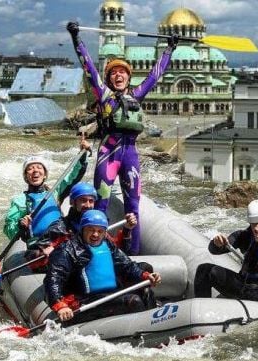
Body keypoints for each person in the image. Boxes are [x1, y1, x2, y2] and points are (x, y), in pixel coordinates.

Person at [67, 21, 179, 255]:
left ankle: (133, 253)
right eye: (114, 73)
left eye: (123, 72)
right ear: (109, 79)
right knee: (102, 204)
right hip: (108, 155)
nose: (118, 76)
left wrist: (170, 49)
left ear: (128, 77)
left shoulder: (137, 95)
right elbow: (88, 66)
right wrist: (76, 38)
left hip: (130, 155)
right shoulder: (104, 95)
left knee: (133, 206)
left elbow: (156, 74)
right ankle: (95, 252)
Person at [44, 210, 161, 323]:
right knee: (133, 301)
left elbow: (127, 266)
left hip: (108, 295)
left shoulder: (108, 245)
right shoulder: (66, 250)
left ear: (105, 232)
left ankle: (157, 326)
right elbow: (53, 279)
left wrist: (146, 276)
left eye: (100, 231)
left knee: (147, 293)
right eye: (91, 230)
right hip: (83, 301)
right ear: (82, 229)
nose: (95, 234)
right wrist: (60, 305)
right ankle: (143, 333)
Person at [194, 199, 258, 303]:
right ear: (250, 222)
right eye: (255, 223)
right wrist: (217, 244)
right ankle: (201, 308)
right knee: (204, 270)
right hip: (245, 284)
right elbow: (214, 250)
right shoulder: (244, 235)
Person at [4, 143, 90, 248]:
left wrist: (82, 155)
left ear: (45, 175)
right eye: (30, 168)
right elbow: (8, 229)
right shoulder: (19, 201)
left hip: (61, 240)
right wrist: (20, 225)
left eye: (39, 167)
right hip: (38, 247)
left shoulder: (55, 191)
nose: (35, 170)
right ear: (26, 177)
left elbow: (73, 175)